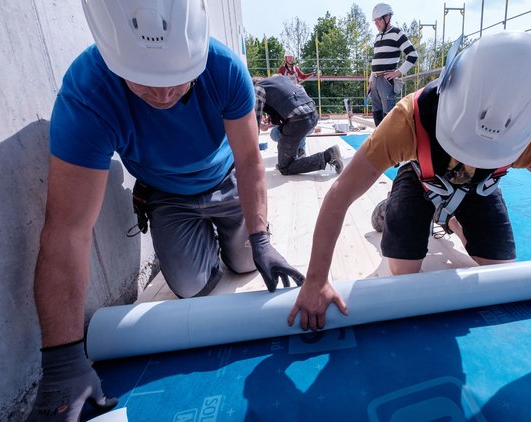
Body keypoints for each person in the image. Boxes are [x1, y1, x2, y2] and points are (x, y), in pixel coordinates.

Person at [287, 32, 531, 353]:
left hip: (478, 191)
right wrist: (317, 279)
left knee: (499, 276)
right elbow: (340, 193)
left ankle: (452, 217)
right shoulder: (407, 118)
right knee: (403, 276)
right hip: (421, 180)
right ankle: (392, 210)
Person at [28, 1, 303, 420]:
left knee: (248, 263)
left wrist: (260, 238)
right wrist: (62, 361)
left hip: (227, 182)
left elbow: (249, 161)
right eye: (143, 82)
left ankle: (236, 241)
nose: (161, 94)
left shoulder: (225, 69)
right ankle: (207, 242)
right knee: (191, 287)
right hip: (168, 196)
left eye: (177, 82)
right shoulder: (88, 94)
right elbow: (68, 228)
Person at [254, 75, 344, 175]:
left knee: (284, 168)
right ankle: (295, 155)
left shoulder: (257, 88)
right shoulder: (281, 79)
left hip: (298, 122)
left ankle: (328, 155)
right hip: (312, 115)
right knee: (280, 134)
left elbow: (254, 122)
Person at [369, 3, 419, 126]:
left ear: (387, 18)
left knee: (388, 114)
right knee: (376, 111)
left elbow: (413, 54)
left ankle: (389, 142)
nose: (376, 24)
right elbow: (376, 60)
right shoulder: (377, 37)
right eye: (374, 21)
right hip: (375, 80)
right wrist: (370, 80)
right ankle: (379, 141)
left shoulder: (397, 33)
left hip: (386, 80)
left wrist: (398, 72)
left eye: (378, 20)